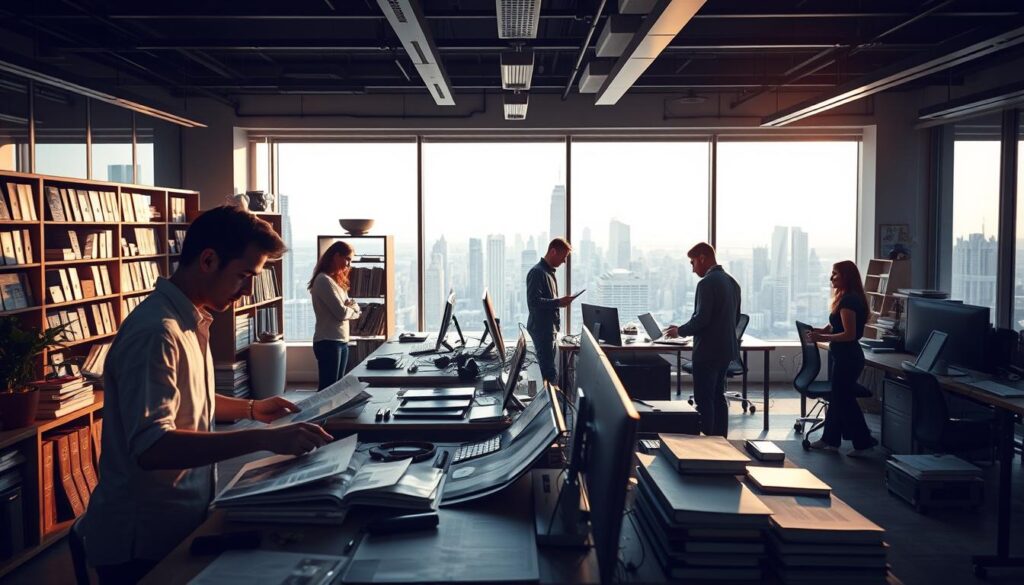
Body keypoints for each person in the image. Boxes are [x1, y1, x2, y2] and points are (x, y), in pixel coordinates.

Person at [82, 206, 333, 584]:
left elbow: (192, 397)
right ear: (209, 260)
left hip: (178, 520)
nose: (248, 290)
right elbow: (153, 447)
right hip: (142, 538)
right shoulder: (157, 332)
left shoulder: (189, 319)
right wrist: (264, 439)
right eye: (243, 275)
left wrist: (252, 408)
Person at [666, 242, 741, 438]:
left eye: (692, 263)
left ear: (702, 258)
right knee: (718, 396)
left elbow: (701, 319)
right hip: (726, 350)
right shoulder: (732, 282)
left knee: (704, 398)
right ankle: (720, 439)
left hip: (708, 351)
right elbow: (736, 318)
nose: (692, 269)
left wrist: (679, 331)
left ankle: (707, 441)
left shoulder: (706, 283)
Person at [806, 260, 878, 455]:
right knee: (838, 398)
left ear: (846, 276)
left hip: (848, 358)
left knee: (844, 400)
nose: (831, 277)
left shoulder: (849, 301)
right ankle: (830, 440)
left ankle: (863, 442)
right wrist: (823, 330)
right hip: (844, 356)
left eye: (835, 274)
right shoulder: (845, 298)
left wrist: (822, 337)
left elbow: (849, 334)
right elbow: (837, 325)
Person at [309, 241, 362, 390]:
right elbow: (341, 312)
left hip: (340, 340)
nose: (349, 264)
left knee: (337, 388)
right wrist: (355, 311)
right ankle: (321, 414)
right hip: (328, 342)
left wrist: (352, 308)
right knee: (328, 389)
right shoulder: (323, 281)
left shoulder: (336, 281)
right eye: (347, 259)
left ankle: (332, 414)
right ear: (336, 256)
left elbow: (351, 304)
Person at [526, 238, 576, 384]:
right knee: (549, 373)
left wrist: (559, 303)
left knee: (549, 370)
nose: (564, 262)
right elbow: (534, 302)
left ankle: (552, 402)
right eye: (563, 257)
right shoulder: (537, 272)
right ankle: (552, 404)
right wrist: (559, 302)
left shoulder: (548, 272)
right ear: (553, 252)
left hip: (548, 329)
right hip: (542, 330)